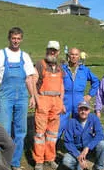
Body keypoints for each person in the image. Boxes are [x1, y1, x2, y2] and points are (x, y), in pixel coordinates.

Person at [0, 27, 36, 170]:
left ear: (21, 39)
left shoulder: (25, 56)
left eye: (18, 38)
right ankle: (2, 163)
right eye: (13, 38)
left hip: (22, 97)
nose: (16, 41)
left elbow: (29, 79)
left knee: (20, 131)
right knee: (3, 131)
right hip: (5, 96)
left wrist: (33, 96)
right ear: (9, 38)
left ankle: (15, 163)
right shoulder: (0, 54)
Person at [33, 40, 65, 170]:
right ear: (46, 50)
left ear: (58, 52)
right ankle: (39, 161)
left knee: (52, 134)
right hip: (43, 100)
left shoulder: (59, 67)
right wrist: (35, 98)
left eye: (54, 50)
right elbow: (33, 82)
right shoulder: (40, 65)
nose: (52, 52)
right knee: (40, 133)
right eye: (50, 49)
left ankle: (50, 158)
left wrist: (61, 101)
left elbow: (62, 85)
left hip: (56, 102)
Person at [58, 48, 100, 139]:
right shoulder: (62, 69)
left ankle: (79, 146)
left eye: (76, 54)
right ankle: (53, 148)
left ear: (79, 56)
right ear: (68, 56)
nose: (74, 56)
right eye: (72, 54)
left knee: (79, 124)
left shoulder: (84, 70)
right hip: (65, 99)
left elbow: (96, 81)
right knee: (59, 125)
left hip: (79, 99)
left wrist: (89, 95)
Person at [62, 101, 104, 170]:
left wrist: (88, 147)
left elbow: (100, 135)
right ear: (78, 110)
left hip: (90, 149)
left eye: (86, 109)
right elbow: (68, 142)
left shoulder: (94, 119)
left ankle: (98, 167)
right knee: (66, 161)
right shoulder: (71, 122)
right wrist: (78, 156)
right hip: (77, 150)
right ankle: (78, 165)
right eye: (81, 109)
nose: (83, 112)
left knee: (102, 144)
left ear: (89, 110)